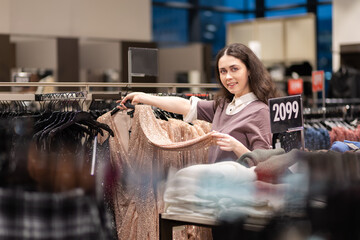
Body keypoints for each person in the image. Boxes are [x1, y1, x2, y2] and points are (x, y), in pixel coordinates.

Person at [118, 43, 279, 163]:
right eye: (223, 71)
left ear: (249, 70)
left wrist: (236, 146)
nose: (228, 77)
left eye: (234, 69)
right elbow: (186, 106)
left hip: (241, 195)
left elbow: (263, 165)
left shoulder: (260, 111)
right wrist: (143, 97)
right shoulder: (223, 105)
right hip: (218, 191)